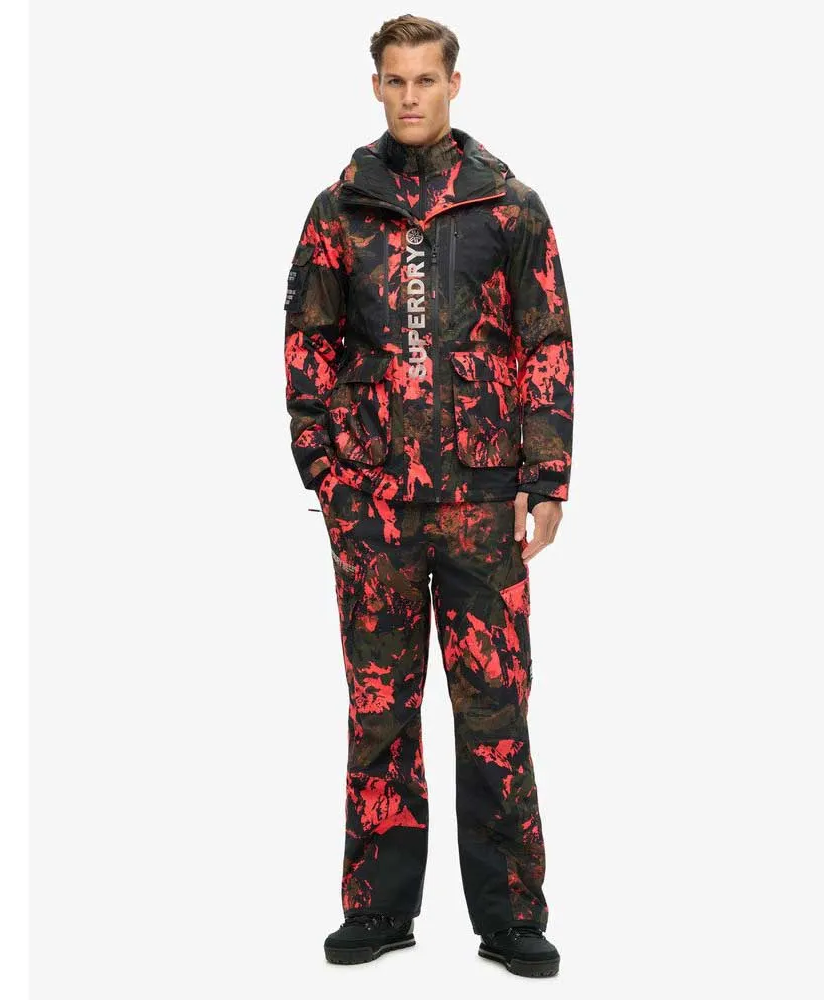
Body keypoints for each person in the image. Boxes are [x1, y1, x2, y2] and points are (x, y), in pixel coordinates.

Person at [283, 14, 573, 979]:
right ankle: (377, 907)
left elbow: (546, 342)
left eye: (425, 79)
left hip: (483, 504)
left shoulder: (508, 207)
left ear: (454, 84)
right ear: (375, 86)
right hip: (372, 508)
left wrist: (546, 478)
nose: (410, 96)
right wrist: (325, 471)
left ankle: (512, 914)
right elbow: (308, 343)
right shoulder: (339, 210)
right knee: (380, 708)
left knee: (495, 709)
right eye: (395, 80)